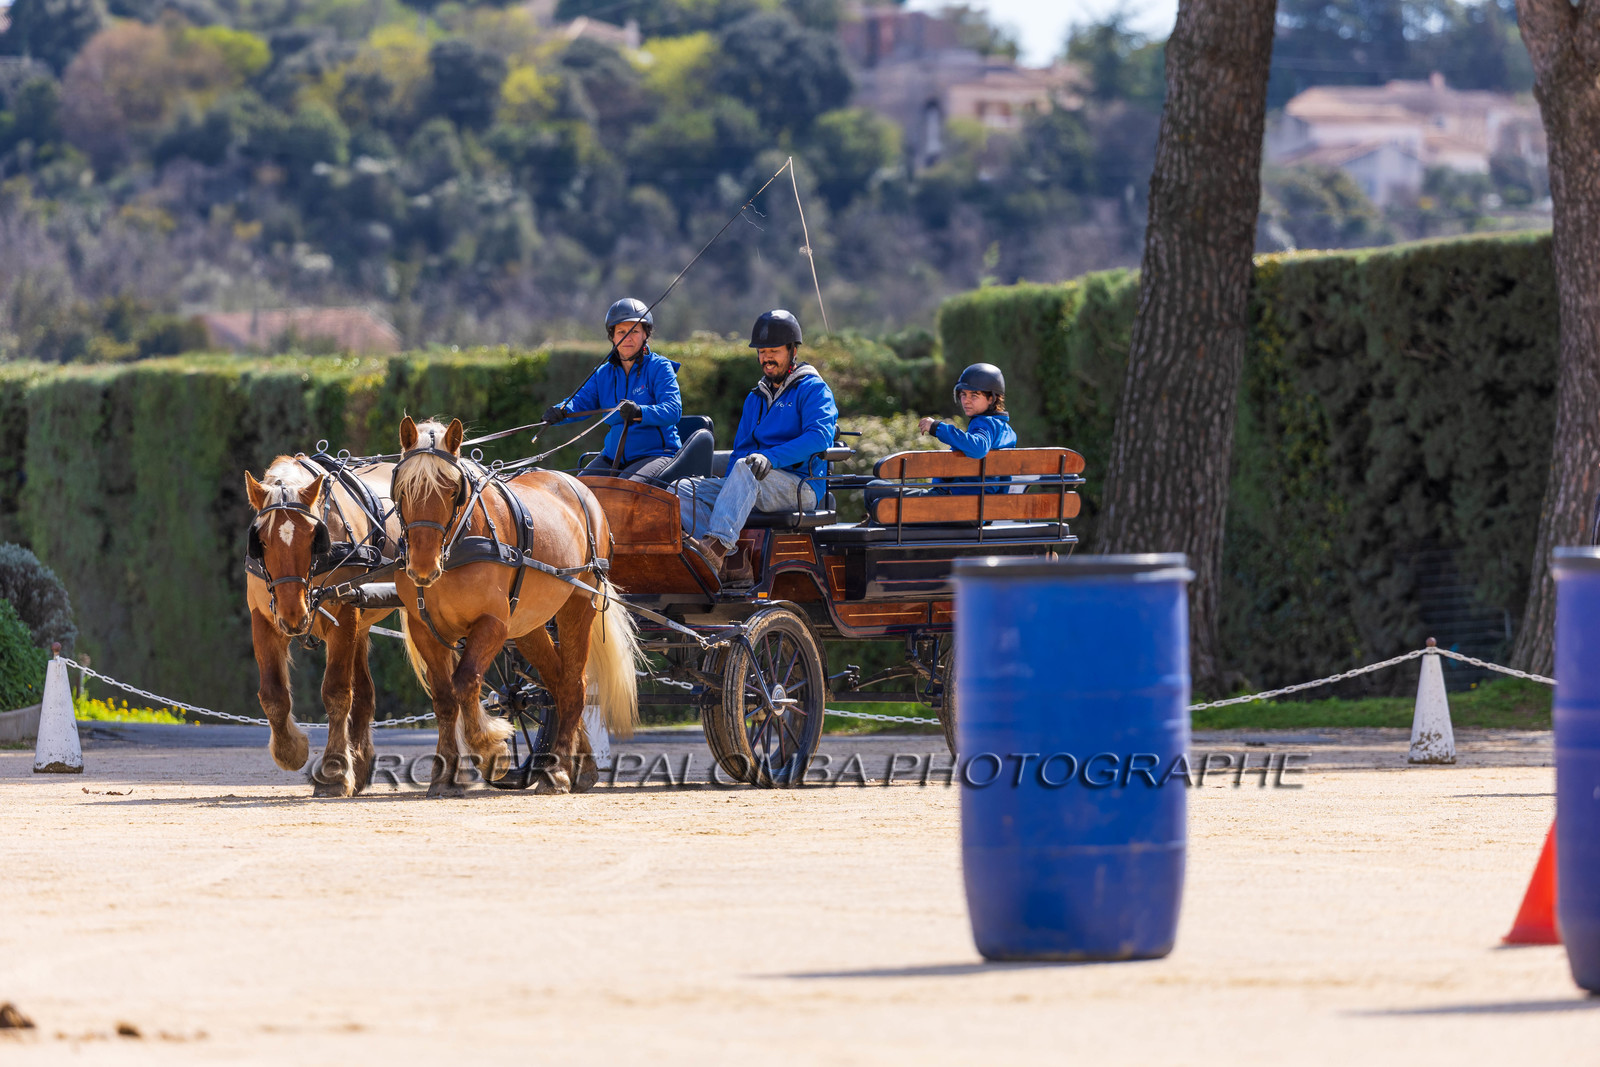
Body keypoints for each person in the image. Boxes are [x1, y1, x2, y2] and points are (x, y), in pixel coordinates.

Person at [674, 309, 838, 582]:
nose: (766, 358)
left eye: (773, 350)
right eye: (761, 351)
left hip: (801, 486)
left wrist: (770, 458)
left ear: (792, 350)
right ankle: (733, 560)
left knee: (745, 467)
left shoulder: (813, 389)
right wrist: (730, 486)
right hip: (754, 480)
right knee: (682, 489)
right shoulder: (756, 398)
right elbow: (742, 448)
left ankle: (715, 549)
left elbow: (819, 437)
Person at [543, 298, 682, 481]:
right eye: (621, 332)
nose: (628, 338)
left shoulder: (660, 367)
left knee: (625, 492)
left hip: (655, 454)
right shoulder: (603, 373)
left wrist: (639, 411)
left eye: (634, 331)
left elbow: (673, 410)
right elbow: (581, 401)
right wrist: (560, 411)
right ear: (613, 336)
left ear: (645, 335)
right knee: (577, 493)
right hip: (612, 457)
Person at [862, 363, 1017, 520]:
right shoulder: (1007, 433)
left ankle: (868, 536)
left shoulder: (984, 423)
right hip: (978, 511)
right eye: (963, 395)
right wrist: (993, 510)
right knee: (883, 502)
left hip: (952, 507)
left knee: (873, 489)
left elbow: (978, 448)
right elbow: (1004, 481)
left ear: (991, 398)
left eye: (974, 395)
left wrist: (937, 427)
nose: (966, 401)